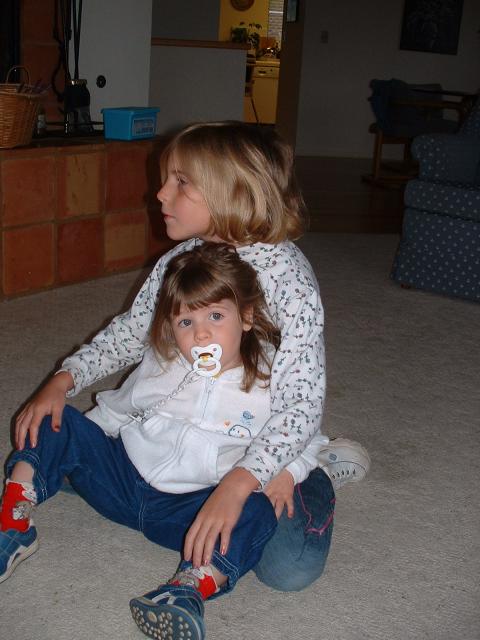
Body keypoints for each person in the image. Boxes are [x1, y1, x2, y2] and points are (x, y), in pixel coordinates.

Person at [1, 122, 369, 631]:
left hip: (242, 452)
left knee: (288, 569)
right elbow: (131, 333)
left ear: (230, 192)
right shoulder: (179, 258)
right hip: (159, 455)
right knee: (55, 431)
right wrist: (64, 378)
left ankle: (317, 469)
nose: (160, 194)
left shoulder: (290, 278)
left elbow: (300, 403)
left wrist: (250, 480)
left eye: (180, 183)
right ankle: (13, 527)